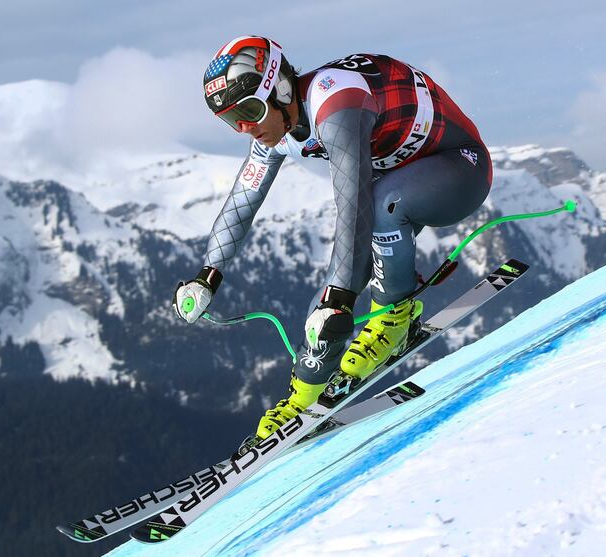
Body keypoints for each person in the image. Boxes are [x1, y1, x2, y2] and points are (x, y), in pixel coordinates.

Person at [173, 36, 492, 443]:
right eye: (231, 120)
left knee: (373, 218)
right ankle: (304, 398)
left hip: (460, 170)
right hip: (401, 185)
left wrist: (339, 297)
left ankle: (393, 320)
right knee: (325, 306)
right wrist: (207, 274)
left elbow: (353, 201)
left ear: (281, 88)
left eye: (250, 111)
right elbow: (244, 199)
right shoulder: (278, 126)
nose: (245, 128)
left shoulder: (336, 103)